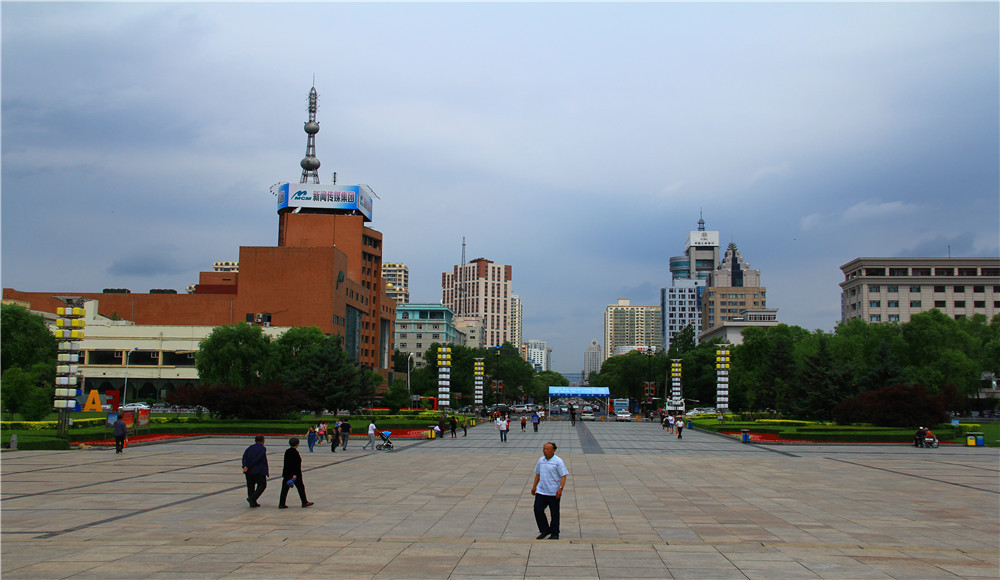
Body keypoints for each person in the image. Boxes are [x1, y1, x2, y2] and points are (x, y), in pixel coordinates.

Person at [531, 442, 568, 540]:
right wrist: (534, 487)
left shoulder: (558, 461)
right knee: (537, 509)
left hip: (553, 492)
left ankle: (555, 533)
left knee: (554, 513)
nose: (545, 451)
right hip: (541, 491)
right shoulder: (541, 460)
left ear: (553, 450)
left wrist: (560, 489)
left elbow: (563, 476)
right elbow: (537, 474)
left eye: (547, 449)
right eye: (544, 449)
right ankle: (545, 529)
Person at [278, 437, 313, 509]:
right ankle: (304, 502)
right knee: (300, 487)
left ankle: (282, 503)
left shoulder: (287, 451)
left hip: (287, 473)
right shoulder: (295, 452)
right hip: (295, 474)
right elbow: (295, 464)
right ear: (297, 444)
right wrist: (294, 474)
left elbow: (287, 463)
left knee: (284, 489)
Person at [241, 435, 268, 507]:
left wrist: (245, 466)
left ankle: (252, 502)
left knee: (250, 486)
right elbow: (258, 459)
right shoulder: (262, 448)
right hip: (258, 470)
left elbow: (244, 457)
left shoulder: (250, 448)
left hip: (249, 471)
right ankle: (252, 498)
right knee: (262, 485)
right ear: (263, 440)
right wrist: (249, 466)